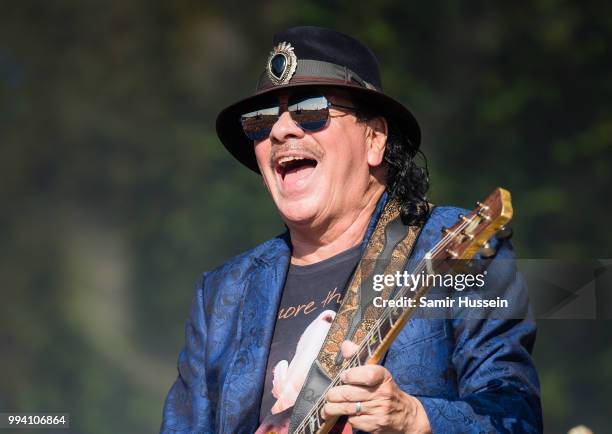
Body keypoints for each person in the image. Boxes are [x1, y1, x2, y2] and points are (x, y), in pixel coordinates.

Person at [160, 26, 542, 433]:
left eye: (311, 110)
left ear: (375, 139)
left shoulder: (452, 246)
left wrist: (414, 419)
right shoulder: (223, 293)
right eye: (260, 121)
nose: (280, 131)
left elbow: (515, 415)